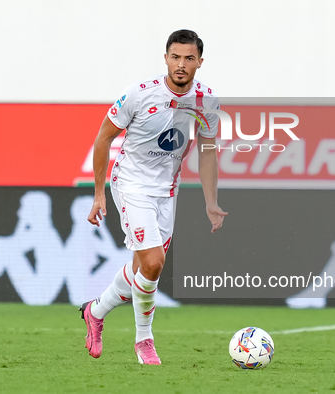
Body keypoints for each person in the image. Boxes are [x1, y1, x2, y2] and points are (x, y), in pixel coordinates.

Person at [83, 29, 227, 365]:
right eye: (175, 57)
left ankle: (95, 311)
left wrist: (210, 201)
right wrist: (99, 194)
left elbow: (207, 152)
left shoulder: (207, 101)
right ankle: (144, 341)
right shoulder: (138, 94)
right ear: (165, 58)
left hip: (167, 191)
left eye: (189, 58)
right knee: (153, 263)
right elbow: (103, 139)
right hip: (130, 185)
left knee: (143, 270)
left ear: (199, 63)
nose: (181, 64)